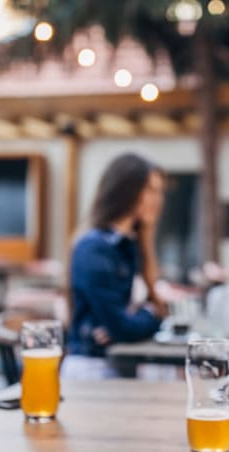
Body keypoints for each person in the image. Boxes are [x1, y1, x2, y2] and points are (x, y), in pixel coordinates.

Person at [62, 153, 167, 378]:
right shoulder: (94, 247)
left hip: (117, 363)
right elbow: (123, 327)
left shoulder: (130, 245)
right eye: (150, 189)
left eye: (159, 191)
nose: (157, 199)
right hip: (92, 368)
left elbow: (122, 325)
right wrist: (150, 313)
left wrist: (133, 319)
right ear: (125, 189)